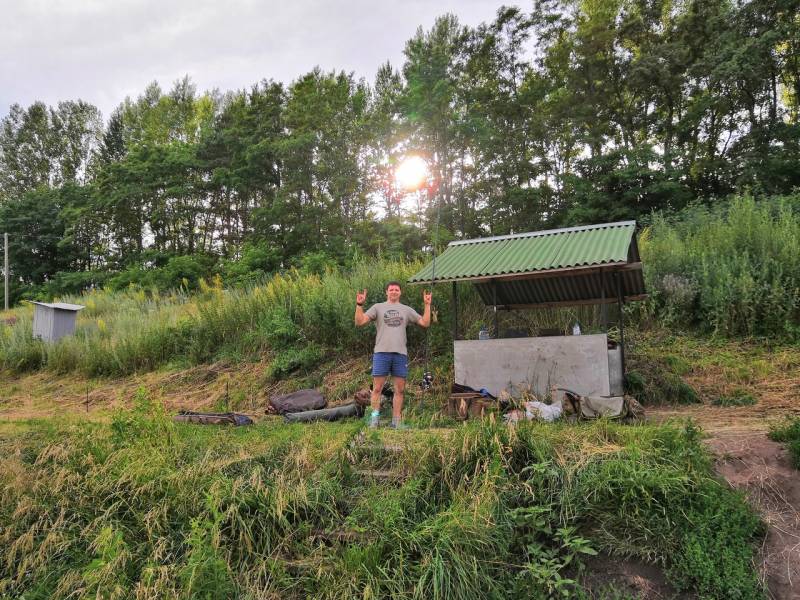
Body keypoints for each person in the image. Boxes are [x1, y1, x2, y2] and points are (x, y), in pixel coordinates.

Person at [354, 281, 432, 428]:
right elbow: (360, 322)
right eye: (391, 289)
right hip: (381, 353)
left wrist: (427, 305)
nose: (394, 291)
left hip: (400, 354)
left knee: (400, 390)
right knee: (377, 389)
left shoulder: (406, 310)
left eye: (397, 289)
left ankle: (396, 422)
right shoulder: (378, 307)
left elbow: (425, 323)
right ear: (386, 292)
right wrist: (359, 305)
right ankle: (374, 420)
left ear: (400, 293)